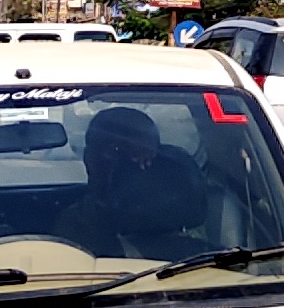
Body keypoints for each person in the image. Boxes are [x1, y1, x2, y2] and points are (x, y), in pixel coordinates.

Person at [76, 107, 207, 259]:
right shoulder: (74, 236)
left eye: (142, 158)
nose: (127, 167)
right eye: (116, 153)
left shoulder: (218, 259)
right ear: (90, 159)